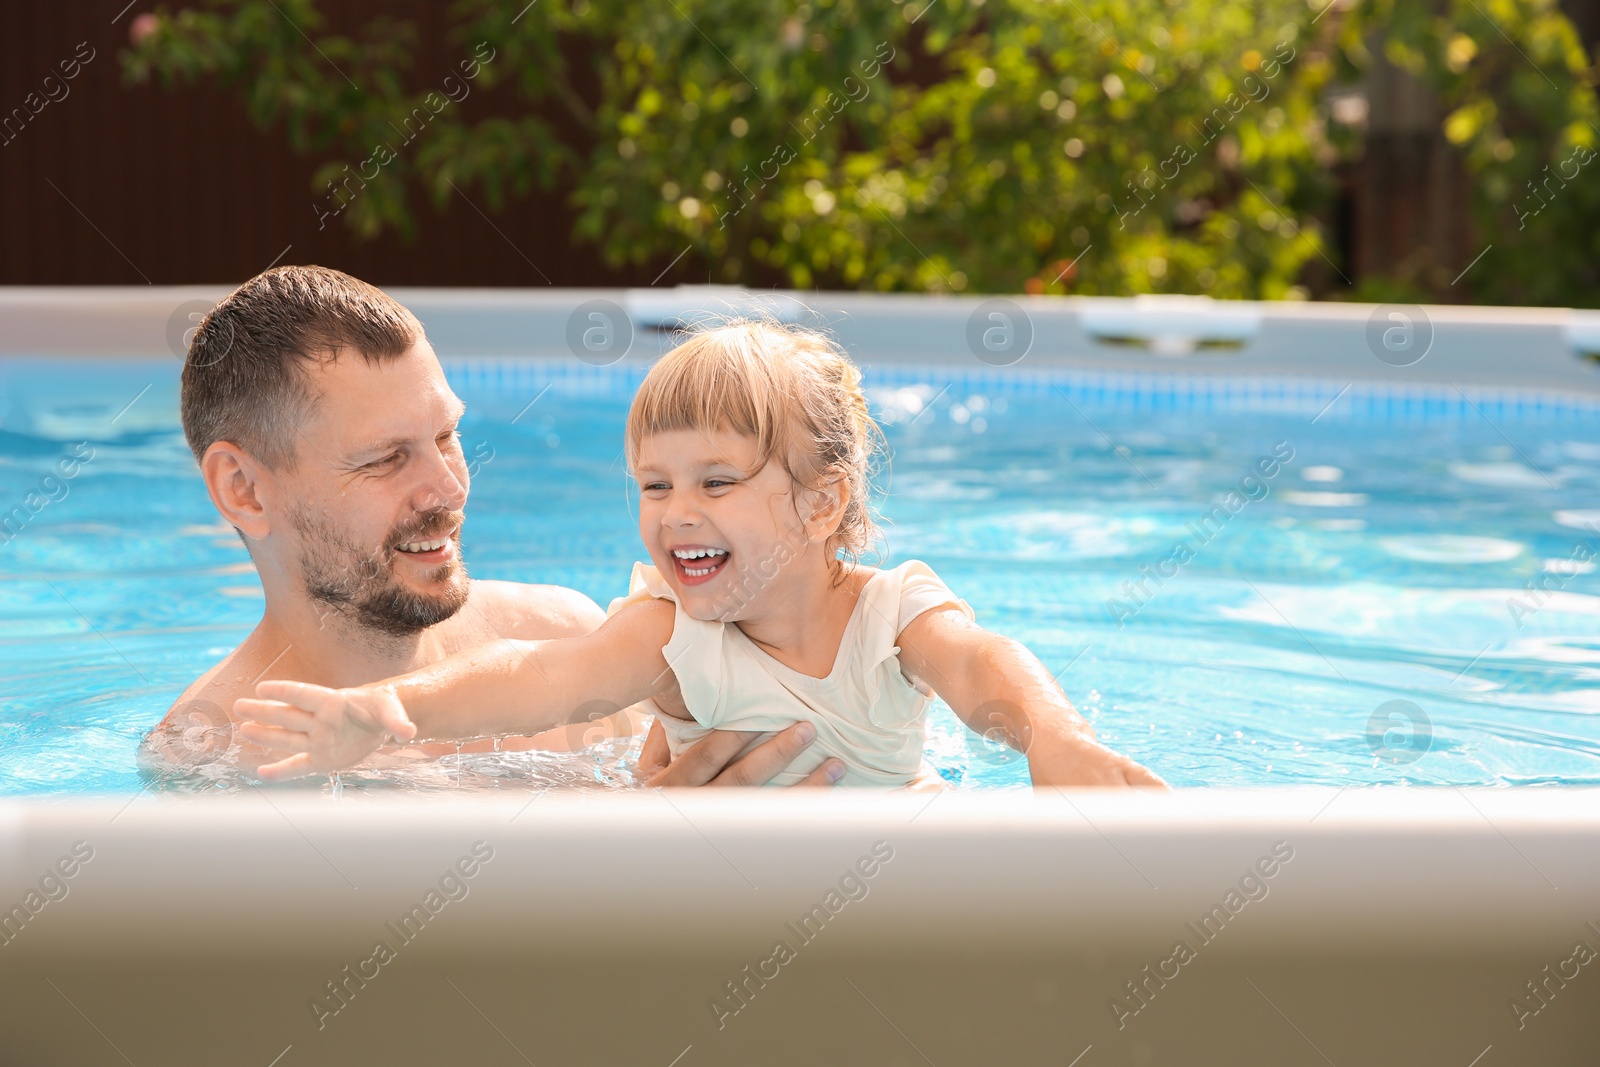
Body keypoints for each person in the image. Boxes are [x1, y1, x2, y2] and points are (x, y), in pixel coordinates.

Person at [236, 319, 1164, 788]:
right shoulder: (671, 630)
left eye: (717, 483)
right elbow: (544, 676)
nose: (678, 512)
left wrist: (1057, 739)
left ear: (821, 499)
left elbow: (982, 664)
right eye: (654, 485)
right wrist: (385, 708)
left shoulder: (886, 617)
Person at [148, 265, 842, 787]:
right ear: (243, 490)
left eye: (447, 435)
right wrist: (649, 848)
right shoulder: (218, 758)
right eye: (387, 458)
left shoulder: (565, 636)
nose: (449, 488)